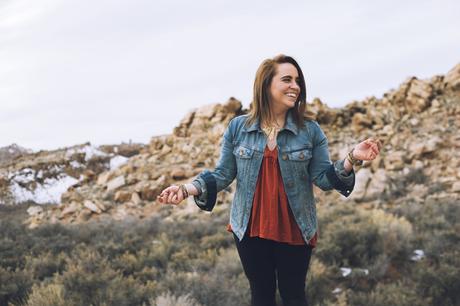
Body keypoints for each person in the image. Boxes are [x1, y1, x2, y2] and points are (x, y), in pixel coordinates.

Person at [157, 54, 382, 306]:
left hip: (295, 227)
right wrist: (185, 189)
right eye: (287, 79)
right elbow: (223, 174)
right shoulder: (238, 128)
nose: (295, 86)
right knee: (261, 296)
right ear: (266, 84)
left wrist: (352, 158)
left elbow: (324, 179)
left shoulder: (310, 130)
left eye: (298, 81)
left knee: (294, 297)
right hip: (250, 227)